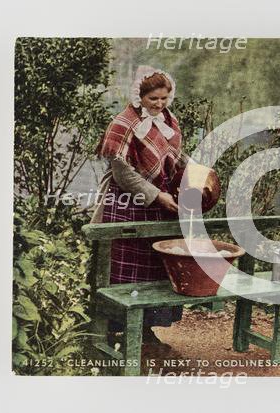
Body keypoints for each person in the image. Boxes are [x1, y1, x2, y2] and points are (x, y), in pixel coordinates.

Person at [92, 66, 190, 346]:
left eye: (164, 98)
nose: (159, 104)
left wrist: (194, 173)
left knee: (155, 267)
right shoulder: (123, 123)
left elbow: (176, 156)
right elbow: (123, 173)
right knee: (122, 270)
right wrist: (156, 195)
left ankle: (146, 331)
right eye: (153, 99)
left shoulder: (168, 119)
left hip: (161, 203)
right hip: (128, 203)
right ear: (140, 96)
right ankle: (110, 332)